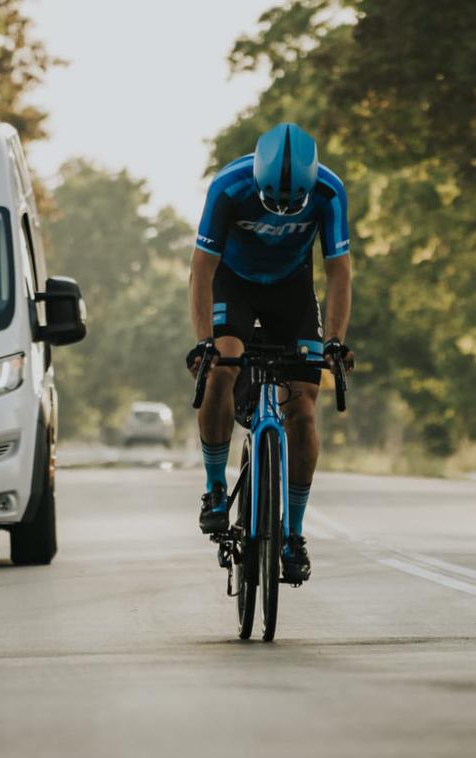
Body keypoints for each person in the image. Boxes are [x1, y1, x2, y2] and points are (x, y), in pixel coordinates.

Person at [186, 123, 355, 584]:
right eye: (272, 201)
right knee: (221, 367)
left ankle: (294, 534)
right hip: (233, 284)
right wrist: (204, 340)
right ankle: (215, 488)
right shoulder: (228, 186)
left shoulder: (329, 190)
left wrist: (336, 341)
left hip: (291, 292)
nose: (281, 211)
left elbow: (339, 273)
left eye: (291, 204)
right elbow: (202, 269)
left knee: (303, 405)